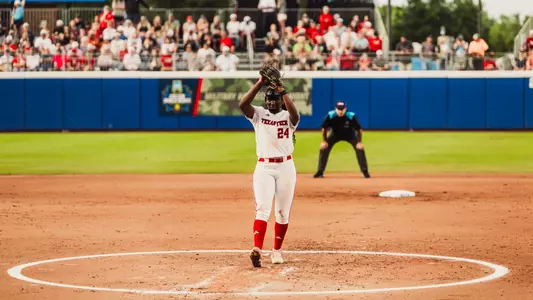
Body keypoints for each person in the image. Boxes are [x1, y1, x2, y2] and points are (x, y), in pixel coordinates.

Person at [239, 70, 300, 268]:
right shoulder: (258, 114)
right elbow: (242, 105)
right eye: (269, 99)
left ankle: (277, 251)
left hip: (286, 167)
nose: (272, 103)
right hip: (264, 166)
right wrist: (259, 83)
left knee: (282, 212)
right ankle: (257, 249)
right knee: (262, 209)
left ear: (281, 101)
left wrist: (281, 89)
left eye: (275, 100)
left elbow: (295, 114)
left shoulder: (288, 116)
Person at [314, 101, 370, 179]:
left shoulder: (351, 116)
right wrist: (324, 141)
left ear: (345, 109)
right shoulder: (330, 115)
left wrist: (359, 142)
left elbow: (359, 129)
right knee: (324, 148)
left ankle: (365, 172)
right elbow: (324, 128)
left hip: (350, 135)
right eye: (339, 109)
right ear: (335, 109)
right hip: (335, 135)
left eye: (342, 109)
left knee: (360, 148)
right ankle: (320, 172)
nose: (340, 111)